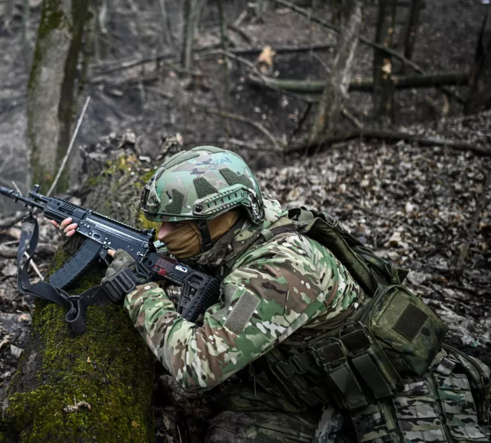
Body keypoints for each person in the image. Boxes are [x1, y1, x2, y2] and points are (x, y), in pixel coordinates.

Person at [52, 146, 490, 443]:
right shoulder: (249, 222)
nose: (161, 234)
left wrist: (139, 290)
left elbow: (196, 367)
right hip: (301, 378)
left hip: (381, 388)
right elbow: (183, 258)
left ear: (218, 219)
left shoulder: (276, 272)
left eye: (174, 224)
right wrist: (101, 238)